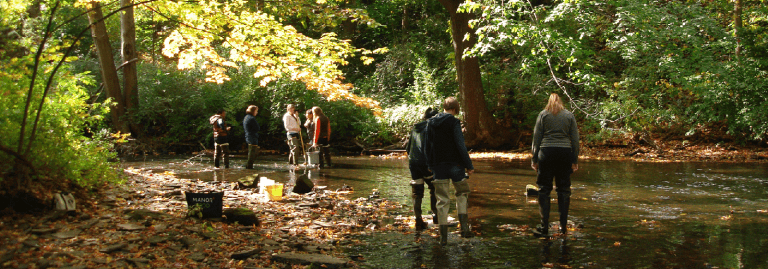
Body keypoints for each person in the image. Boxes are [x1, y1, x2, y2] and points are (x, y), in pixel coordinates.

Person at [425, 97, 475, 245]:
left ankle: (443, 238)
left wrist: (429, 164)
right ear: (455, 109)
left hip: (438, 166)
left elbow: (427, 146)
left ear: (444, 107)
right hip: (456, 165)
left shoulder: (431, 123)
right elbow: (460, 144)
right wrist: (469, 165)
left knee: (442, 200)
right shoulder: (454, 122)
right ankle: (464, 231)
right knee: (462, 194)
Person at [531, 93, 580, 237]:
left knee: (544, 189)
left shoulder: (543, 115)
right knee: (564, 190)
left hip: (546, 153)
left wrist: (534, 159)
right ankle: (563, 227)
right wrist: (574, 160)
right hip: (564, 154)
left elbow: (537, 139)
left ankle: (544, 226)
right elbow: (575, 140)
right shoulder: (569, 116)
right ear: (561, 102)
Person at [405, 107, 440, 231]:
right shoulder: (432, 128)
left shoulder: (415, 128)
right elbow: (433, 148)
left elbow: (408, 148)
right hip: (426, 163)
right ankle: (436, 216)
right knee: (433, 188)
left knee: (417, 191)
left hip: (413, 162)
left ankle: (418, 220)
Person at [243, 105, 260, 169]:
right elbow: (257, 128)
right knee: (252, 154)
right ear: (253, 111)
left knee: (252, 153)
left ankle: (249, 167)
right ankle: (249, 168)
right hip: (252, 137)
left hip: (248, 136)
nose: (257, 112)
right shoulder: (252, 118)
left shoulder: (246, 117)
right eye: (256, 111)